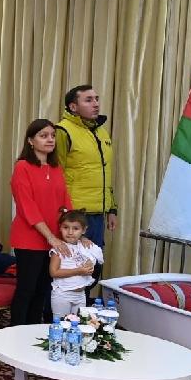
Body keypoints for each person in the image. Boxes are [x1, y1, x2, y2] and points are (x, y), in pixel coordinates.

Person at [10, 119, 73, 326]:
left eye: (52, 136)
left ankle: (32, 331)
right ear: (30, 140)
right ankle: (16, 333)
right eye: (43, 136)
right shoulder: (22, 167)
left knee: (42, 290)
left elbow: (65, 203)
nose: (50, 139)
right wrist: (50, 237)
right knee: (26, 290)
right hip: (30, 239)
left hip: (53, 240)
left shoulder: (56, 168)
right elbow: (28, 207)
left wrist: (74, 233)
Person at [56, 85, 116, 271]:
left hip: (99, 211)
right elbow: (56, 174)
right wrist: (64, 212)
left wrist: (112, 208)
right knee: (74, 267)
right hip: (75, 213)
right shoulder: (63, 131)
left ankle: (89, 292)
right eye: (88, 100)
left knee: (94, 265)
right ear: (73, 107)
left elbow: (105, 172)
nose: (96, 104)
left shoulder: (101, 132)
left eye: (96, 99)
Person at [48, 211, 102, 320]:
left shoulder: (84, 245)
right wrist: (79, 271)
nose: (70, 232)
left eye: (75, 228)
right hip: (62, 295)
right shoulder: (59, 248)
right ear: (60, 227)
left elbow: (97, 258)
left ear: (84, 230)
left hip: (81, 294)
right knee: (61, 325)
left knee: (78, 324)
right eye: (66, 227)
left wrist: (90, 264)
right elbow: (53, 272)